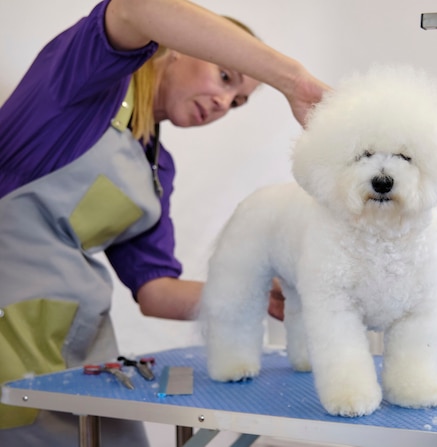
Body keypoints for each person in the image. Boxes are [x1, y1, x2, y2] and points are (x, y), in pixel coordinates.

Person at [0, 0, 329, 445]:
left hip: (78, 349)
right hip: (8, 340)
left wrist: (257, 290)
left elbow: (156, 291)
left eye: (236, 103)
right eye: (225, 77)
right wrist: (294, 80)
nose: (223, 102)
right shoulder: (83, 85)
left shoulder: (155, 165)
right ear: (176, 47)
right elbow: (137, 7)